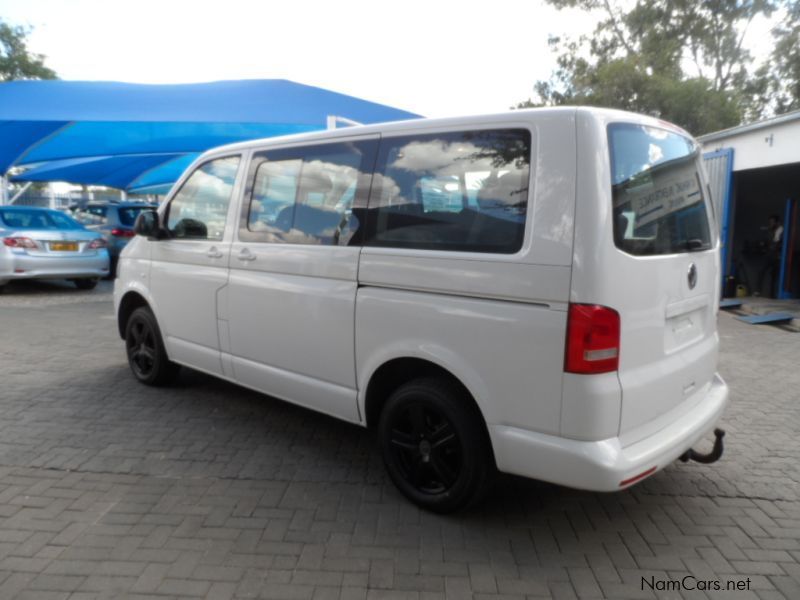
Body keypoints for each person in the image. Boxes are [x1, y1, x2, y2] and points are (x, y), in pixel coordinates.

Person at [757, 214, 784, 298]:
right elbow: (766, 241)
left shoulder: (780, 230)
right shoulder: (770, 230)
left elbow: (776, 242)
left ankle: (773, 295)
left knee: (774, 275)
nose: (770, 224)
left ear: (777, 222)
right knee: (761, 271)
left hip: (776, 255)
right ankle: (758, 291)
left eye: (772, 222)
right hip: (769, 254)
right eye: (770, 222)